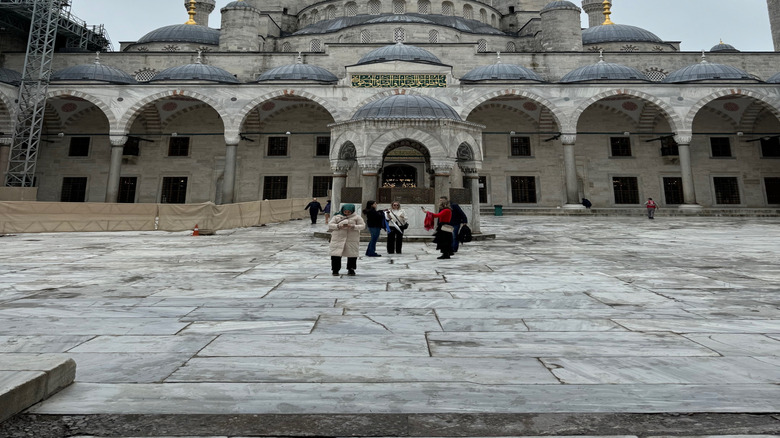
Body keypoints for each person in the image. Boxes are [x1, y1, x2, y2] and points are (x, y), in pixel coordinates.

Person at [328, 204, 365, 276]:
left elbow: (362, 226)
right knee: (336, 254)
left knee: (352, 254)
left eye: (349, 212)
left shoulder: (357, 217)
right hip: (338, 239)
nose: (347, 213)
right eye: (345, 211)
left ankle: (351, 269)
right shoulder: (337, 217)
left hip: (351, 239)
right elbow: (330, 225)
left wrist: (353, 226)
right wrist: (338, 226)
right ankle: (335, 270)